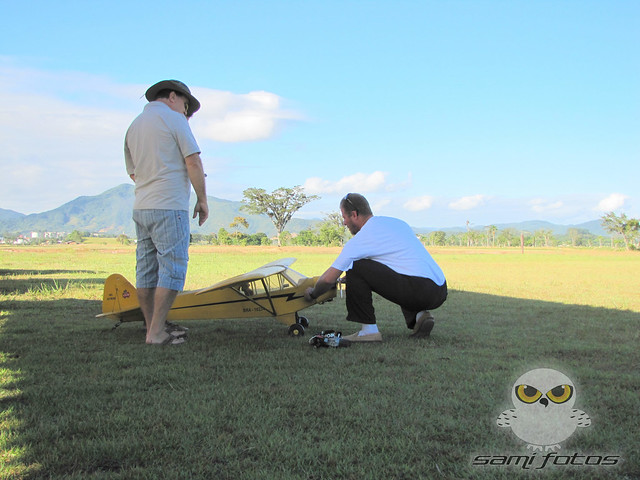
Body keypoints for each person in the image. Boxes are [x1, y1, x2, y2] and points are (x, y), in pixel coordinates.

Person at [124, 80, 209, 345]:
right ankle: (156, 333)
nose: (186, 113)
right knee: (173, 268)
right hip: (169, 206)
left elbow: (133, 173)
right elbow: (193, 160)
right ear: (173, 97)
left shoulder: (134, 126)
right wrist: (202, 199)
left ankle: (153, 328)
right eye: (186, 106)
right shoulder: (175, 119)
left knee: (147, 271)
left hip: (142, 207)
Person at [304, 193, 447, 342]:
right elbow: (397, 264)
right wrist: (355, 280)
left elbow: (328, 280)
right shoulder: (397, 223)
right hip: (440, 289)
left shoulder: (360, 239)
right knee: (400, 270)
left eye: (344, 217)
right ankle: (420, 316)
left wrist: (313, 294)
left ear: (354, 214)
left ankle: (369, 331)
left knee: (355, 266)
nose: (344, 223)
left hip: (419, 289)